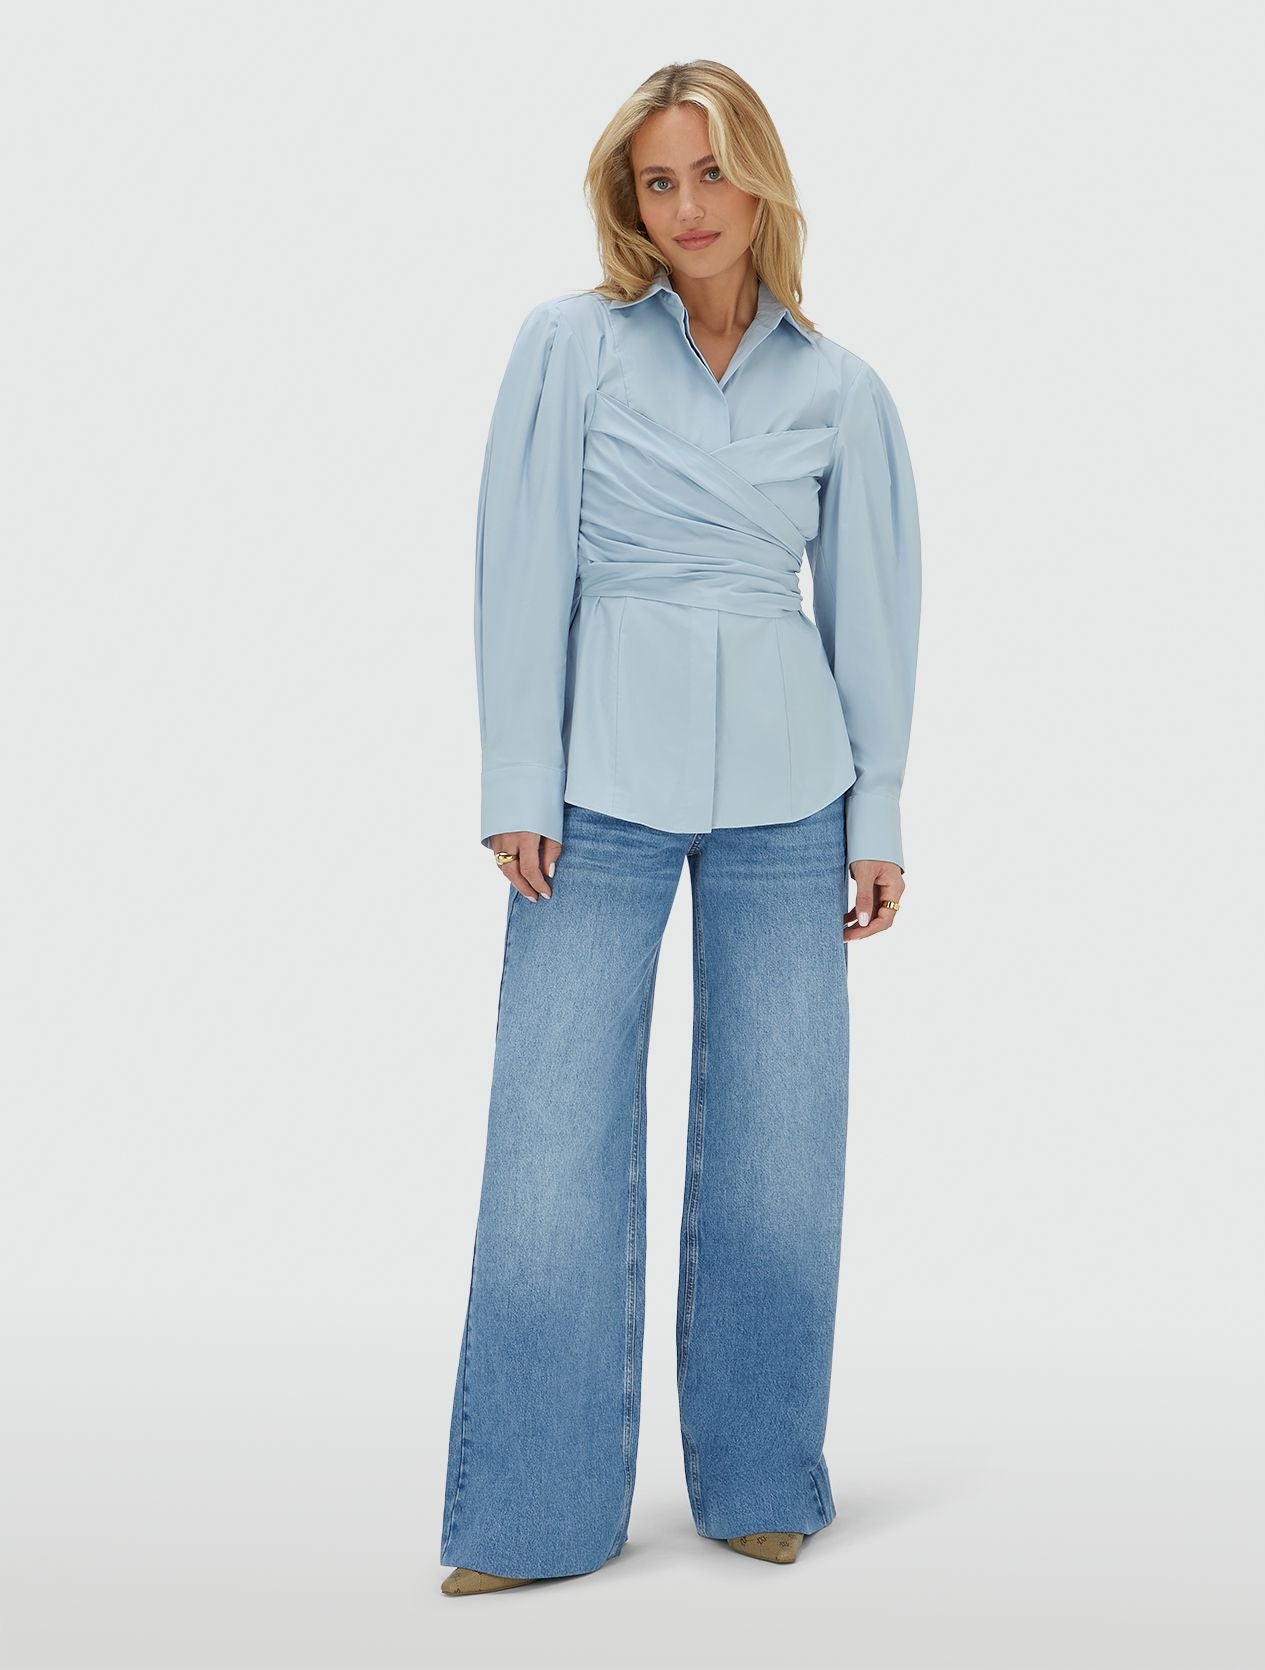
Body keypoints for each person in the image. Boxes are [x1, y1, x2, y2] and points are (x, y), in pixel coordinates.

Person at [440, 59, 922, 1595]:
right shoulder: (568, 347)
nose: (689, 207)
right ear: (629, 201)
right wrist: (517, 779)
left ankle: (763, 1478)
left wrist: (878, 809)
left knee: (783, 1143)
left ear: (759, 179)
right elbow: (520, 560)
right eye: (660, 180)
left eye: (711, 172)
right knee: (550, 1144)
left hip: (794, 793)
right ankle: (531, 1515)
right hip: (596, 786)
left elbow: (872, 609)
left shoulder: (841, 390)